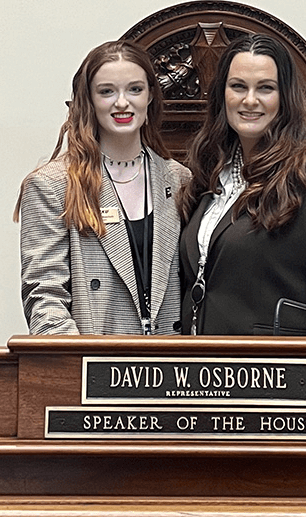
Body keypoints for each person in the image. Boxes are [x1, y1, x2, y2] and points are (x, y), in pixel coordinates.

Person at [177, 34, 306, 336]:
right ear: (222, 95)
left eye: (265, 88)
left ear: (286, 97)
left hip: (277, 370)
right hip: (202, 368)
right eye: (238, 86)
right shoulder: (208, 173)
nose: (250, 100)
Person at [17, 41, 190, 335]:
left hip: (170, 367)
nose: (122, 103)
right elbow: (44, 295)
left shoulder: (179, 179)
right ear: (89, 100)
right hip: (94, 365)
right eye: (107, 91)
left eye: (134, 89)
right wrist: (79, 365)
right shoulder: (51, 185)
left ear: (150, 96)